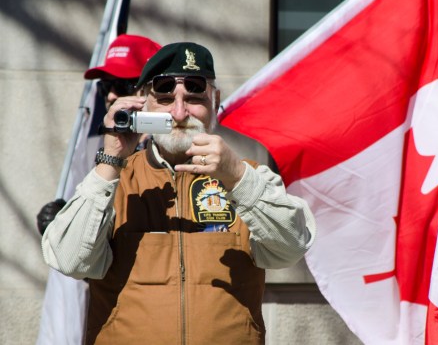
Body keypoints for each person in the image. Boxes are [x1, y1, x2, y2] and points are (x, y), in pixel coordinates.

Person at [42, 42, 316, 344]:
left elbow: (293, 247)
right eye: (165, 98)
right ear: (142, 102)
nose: (180, 111)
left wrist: (237, 177)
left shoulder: (248, 176)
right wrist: (111, 159)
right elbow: (69, 262)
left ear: (215, 101)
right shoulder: (114, 179)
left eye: (195, 97)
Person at [36, 34, 161, 345]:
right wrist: (63, 222)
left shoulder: (173, 149)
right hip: (107, 313)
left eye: (125, 84)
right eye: (106, 85)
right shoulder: (98, 144)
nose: (111, 95)